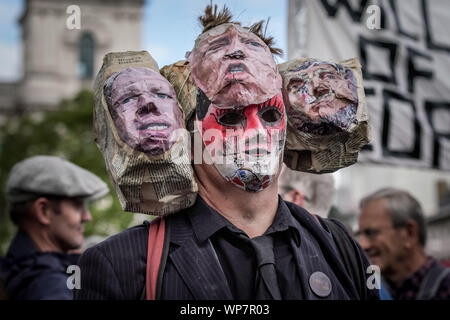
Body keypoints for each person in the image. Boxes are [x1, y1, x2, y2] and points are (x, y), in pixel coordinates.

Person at [75, 5, 378, 300]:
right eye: (231, 117)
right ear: (186, 132)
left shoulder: (339, 247)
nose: (257, 131)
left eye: (271, 116)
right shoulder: (120, 265)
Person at [0, 155, 108, 300]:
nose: (87, 217)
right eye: (77, 205)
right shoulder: (50, 286)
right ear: (44, 211)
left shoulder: (16, 268)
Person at [357, 188, 450, 300]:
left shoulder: (445, 289)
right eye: (360, 234)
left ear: (410, 233)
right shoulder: (372, 290)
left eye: (371, 233)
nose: (362, 245)